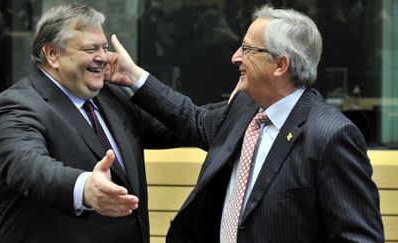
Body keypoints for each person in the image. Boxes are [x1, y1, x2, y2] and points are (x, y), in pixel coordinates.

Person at [106, 4, 384, 243]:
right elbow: (192, 118)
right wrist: (135, 77)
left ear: (280, 65)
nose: (235, 57)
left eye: (247, 49)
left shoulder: (331, 135)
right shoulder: (245, 108)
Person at [0, 3, 183, 243]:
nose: (103, 57)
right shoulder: (15, 106)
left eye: (104, 47)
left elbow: (184, 126)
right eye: (91, 49)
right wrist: (85, 188)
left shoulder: (113, 96)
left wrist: (139, 79)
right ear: (52, 54)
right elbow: (30, 167)